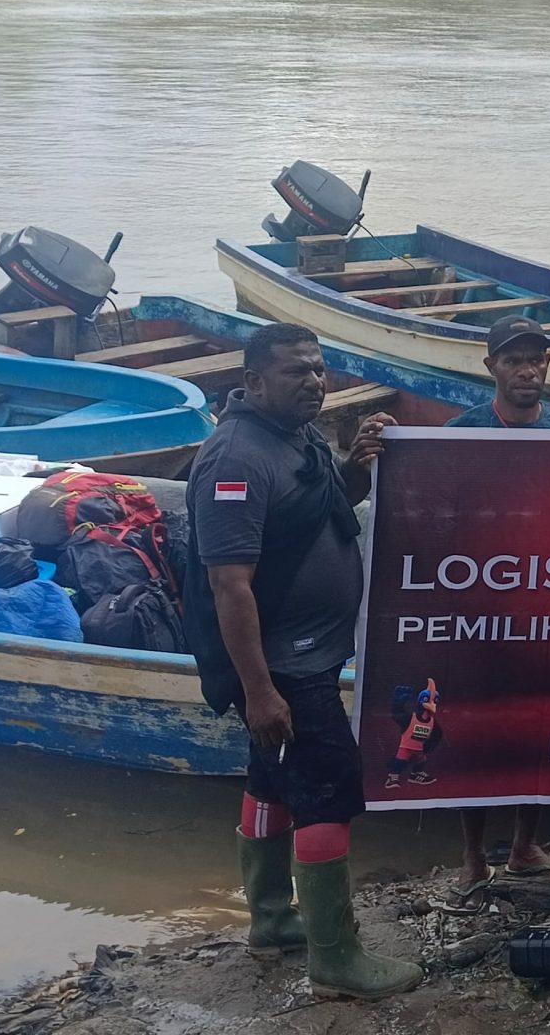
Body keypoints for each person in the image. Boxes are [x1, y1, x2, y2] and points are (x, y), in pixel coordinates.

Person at [183, 321, 421, 1000]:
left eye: (319, 369)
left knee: (270, 782)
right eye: (296, 371)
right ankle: (335, 960)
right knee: (328, 792)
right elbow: (229, 586)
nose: (314, 382)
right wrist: (259, 691)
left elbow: (322, 508)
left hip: (306, 653)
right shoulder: (236, 459)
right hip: (284, 665)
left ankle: (271, 920)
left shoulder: (295, 434)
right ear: (254, 381)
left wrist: (358, 465)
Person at [442, 315, 550, 886]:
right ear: (491, 366)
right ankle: (473, 855)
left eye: (536, 360)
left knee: (540, 726)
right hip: (482, 607)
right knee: (476, 730)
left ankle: (525, 845)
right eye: (513, 360)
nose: (527, 370)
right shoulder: (460, 432)